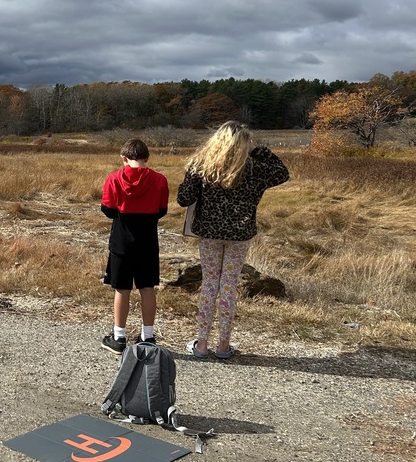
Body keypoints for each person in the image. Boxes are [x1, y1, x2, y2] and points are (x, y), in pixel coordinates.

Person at [177, 121, 289, 359]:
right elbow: (282, 173)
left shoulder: (201, 166)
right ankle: (223, 346)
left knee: (209, 284)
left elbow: (183, 199)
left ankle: (201, 345)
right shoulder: (256, 168)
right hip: (240, 234)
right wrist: (260, 150)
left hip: (209, 233)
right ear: (245, 144)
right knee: (228, 285)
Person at [99, 138, 170, 354]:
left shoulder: (114, 179)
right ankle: (147, 336)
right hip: (147, 241)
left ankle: (119, 337)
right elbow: (162, 210)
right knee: (147, 288)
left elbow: (108, 209)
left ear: (124, 158)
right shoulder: (159, 180)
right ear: (147, 158)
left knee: (122, 289)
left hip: (121, 241)